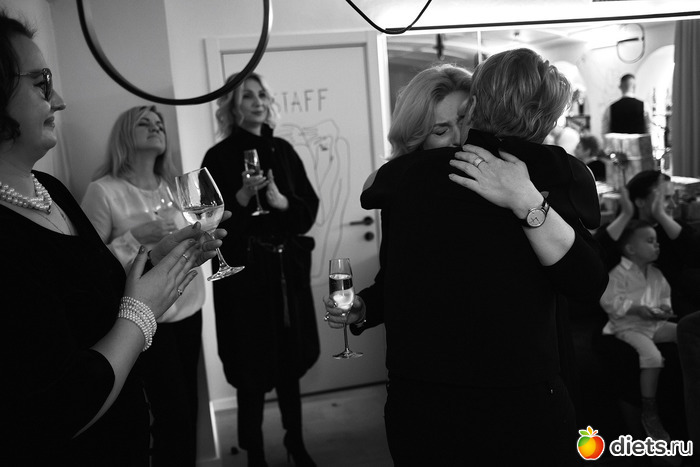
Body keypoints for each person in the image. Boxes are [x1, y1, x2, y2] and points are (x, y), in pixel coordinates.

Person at [327, 48, 607, 466]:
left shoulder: (401, 180)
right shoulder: (558, 172)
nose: (459, 138)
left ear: (476, 107)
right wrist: (364, 307)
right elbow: (401, 278)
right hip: (453, 396)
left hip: (478, 394)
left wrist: (525, 198)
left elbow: (584, 280)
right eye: (442, 129)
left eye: (462, 121)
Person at [0, 12, 226, 466]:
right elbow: (53, 410)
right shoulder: (94, 194)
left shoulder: (51, 190)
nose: (59, 100)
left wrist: (154, 260)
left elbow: (92, 292)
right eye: (42, 83)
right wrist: (142, 312)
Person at [202, 72, 320, 467]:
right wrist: (239, 197)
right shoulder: (217, 157)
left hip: (285, 274)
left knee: (289, 364)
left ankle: (295, 443)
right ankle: (254, 452)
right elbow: (208, 226)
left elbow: (307, 212)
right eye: (247, 96)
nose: (257, 102)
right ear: (233, 107)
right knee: (250, 366)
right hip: (245, 279)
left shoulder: (283, 150)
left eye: (261, 95)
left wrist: (282, 203)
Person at [81, 105, 206, 466]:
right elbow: (88, 264)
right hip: (146, 318)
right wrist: (136, 236)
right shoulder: (103, 191)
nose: (156, 128)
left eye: (159, 124)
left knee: (190, 406)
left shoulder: (175, 188)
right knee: (170, 413)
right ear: (125, 135)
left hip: (189, 306)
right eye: (145, 123)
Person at [599, 220, 677, 441]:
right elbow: (609, 301)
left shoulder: (656, 274)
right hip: (629, 326)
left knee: (685, 332)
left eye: (657, 241)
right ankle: (649, 408)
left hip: (653, 325)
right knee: (652, 357)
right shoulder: (618, 274)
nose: (657, 245)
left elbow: (664, 297)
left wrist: (664, 310)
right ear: (631, 249)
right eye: (650, 241)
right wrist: (636, 309)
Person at [594, 170, 700, 318]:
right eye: (666, 198)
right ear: (640, 201)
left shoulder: (673, 228)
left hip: (668, 307)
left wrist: (661, 216)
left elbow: (695, 257)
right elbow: (594, 258)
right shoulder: (620, 232)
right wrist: (625, 215)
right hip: (625, 316)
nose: (674, 205)